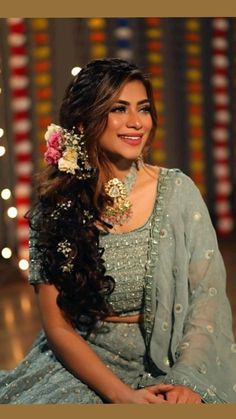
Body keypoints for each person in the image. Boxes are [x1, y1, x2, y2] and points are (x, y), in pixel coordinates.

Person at [0, 57, 235, 404]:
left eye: (143, 109)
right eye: (119, 109)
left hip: (174, 361)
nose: (136, 122)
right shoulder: (57, 207)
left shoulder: (178, 193)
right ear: (85, 122)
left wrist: (189, 381)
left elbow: (207, 301)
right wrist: (122, 396)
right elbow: (58, 326)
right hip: (85, 369)